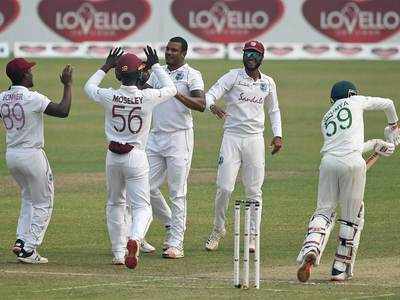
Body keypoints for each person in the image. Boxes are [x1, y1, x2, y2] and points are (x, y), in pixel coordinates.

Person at [83, 46, 179, 269]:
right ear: (140, 74)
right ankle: (134, 238)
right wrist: (155, 65)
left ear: (118, 74)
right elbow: (171, 88)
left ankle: (118, 252)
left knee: (115, 203)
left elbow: (88, 87)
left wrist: (106, 65)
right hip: (136, 156)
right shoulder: (148, 96)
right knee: (142, 207)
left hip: (113, 156)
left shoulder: (109, 95)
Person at [296, 81, 399, 282]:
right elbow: (389, 103)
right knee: (353, 217)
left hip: (328, 163)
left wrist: (376, 144)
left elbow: (345, 146)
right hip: (352, 162)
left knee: (324, 211)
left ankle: (312, 247)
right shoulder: (356, 101)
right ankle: (339, 268)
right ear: (351, 94)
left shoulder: (326, 118)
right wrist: (393, 126)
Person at [204, 40, 283, 252]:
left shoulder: (268, 82)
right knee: (224, 188)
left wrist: (278, 136)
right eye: (247, 52)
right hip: (232, 137)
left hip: (255, 139)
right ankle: (218, 229)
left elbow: (273, 110)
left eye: (255, 54)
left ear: (261, 58)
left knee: (254, 190)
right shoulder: (233, 76)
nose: (250, 57)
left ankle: (252, 235)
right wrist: (212, 105)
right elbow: (210, 93)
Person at [0, 58, 73, 263]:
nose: (32, 74)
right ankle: (29, 249)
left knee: (28, 199)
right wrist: (67, 85)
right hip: (31, 155)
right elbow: (63, 111)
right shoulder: (32, 98)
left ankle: (22, 240)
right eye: (30, 71)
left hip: (12, 155)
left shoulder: (3, 97)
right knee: (44, 202)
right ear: (24, 76)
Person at [143, 36, 206, 259]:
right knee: (144, 188)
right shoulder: (158, 73)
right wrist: (139, 72)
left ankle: (175, 243)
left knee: (177, 192)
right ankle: (166, 223)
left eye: (174, 50)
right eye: (167, 49)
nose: (169, 53)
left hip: (180, 138)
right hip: (155, 136)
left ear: (184, 53)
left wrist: (175, 92)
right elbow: (142, 93)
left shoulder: (192, 74)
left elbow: (200, 104)